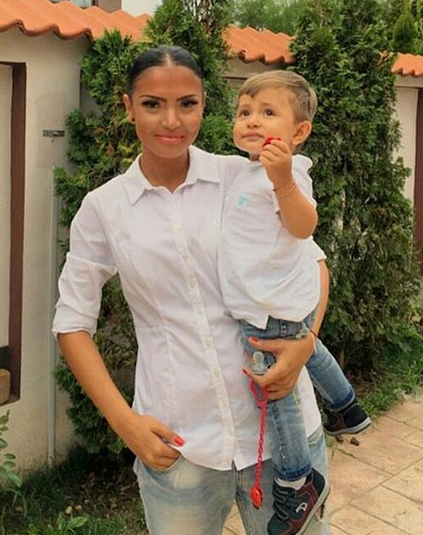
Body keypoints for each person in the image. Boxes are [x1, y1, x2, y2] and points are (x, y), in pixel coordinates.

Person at [52, 45, 330, 535]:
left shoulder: (243, 177)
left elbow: (314, 261)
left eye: (187, 104)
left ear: (204, 105)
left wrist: (306, 343)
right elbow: (72, 324)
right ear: (128, 107)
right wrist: (125, 423)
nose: (171, 121)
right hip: (179, 446)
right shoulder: (104, 208)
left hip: (281, 439)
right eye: (152, 104)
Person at [218, 70, 371, 535]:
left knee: (275, 391)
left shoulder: (289, 172)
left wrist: (283, 180)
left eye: (268, 113)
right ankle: (345, 406)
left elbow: (304, 227)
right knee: (307, 345)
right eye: (244, 112)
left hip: (269, 306)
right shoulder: (242, 172)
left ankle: (295, 482)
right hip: (274, 302)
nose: (252, 121)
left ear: (299, 132)